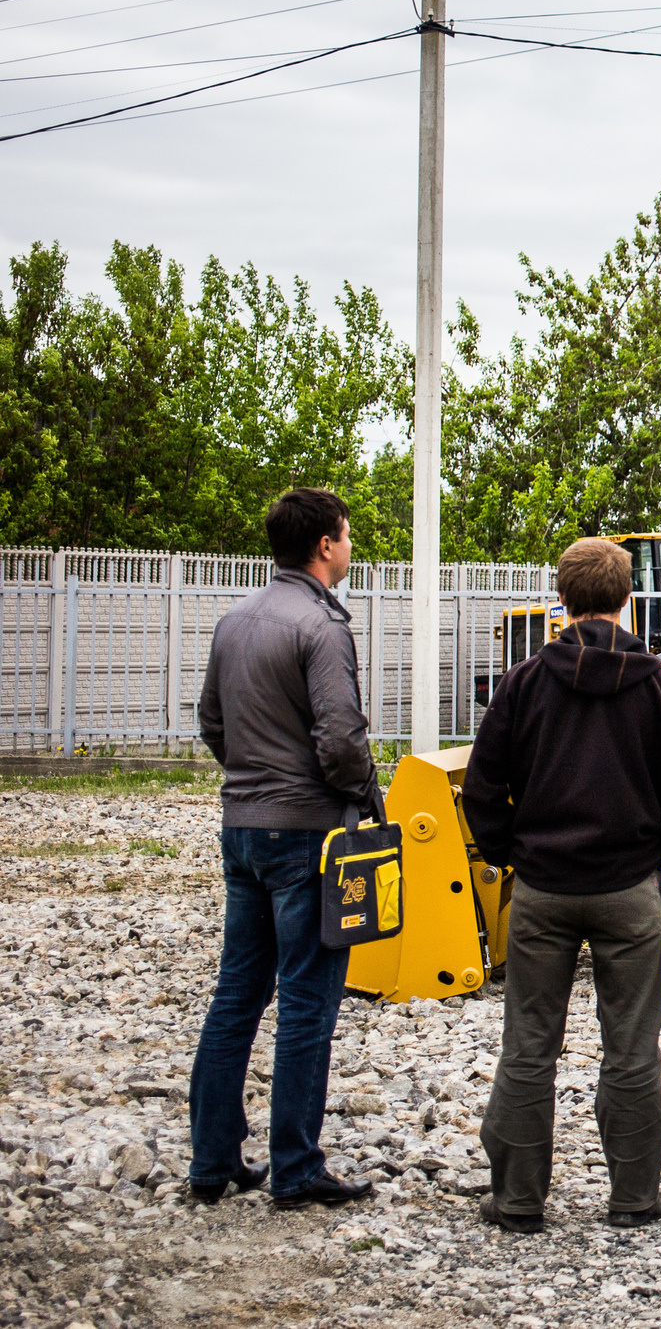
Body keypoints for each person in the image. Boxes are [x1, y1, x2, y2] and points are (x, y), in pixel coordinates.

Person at [462, 537, 661, 1233]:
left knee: (528, 1043)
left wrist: (510, 853)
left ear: (562, 598)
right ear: (627, 596)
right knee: (631, 1045)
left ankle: (517, 1199)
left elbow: (481, 789)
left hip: (541, 890)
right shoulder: (660, 684)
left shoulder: (522, 684)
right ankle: (634, 1195)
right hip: (629, 888)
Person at [189, 486, 377, 1209]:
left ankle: (212, 1161)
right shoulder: (323, 627)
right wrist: (364, 791)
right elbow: (339, 739)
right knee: (307, 1001)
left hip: (242, 824)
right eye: (348, 534)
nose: (351, 546)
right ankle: (296, 1167)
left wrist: (253, 778)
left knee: (236, 994)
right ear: (325, 544)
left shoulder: (235, 621)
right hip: (307, 833)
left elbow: (213, 720)